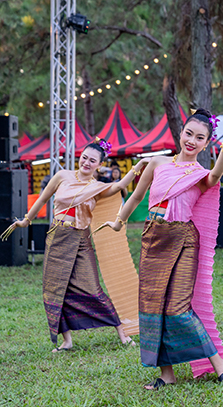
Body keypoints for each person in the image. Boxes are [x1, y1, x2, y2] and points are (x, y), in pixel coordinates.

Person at [100, 109, 223, 389]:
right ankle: (167, 374)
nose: (192, 140)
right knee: (152, 308)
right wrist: (119, 222)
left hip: (184, 240)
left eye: (200, 138)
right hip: (153, 238)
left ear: (206, 144)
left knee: (178, 308)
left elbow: (216, 175)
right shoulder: (156, 163)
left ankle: (221, 366)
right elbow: (137, 196)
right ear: (180, 132)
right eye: (189, 133)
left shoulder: (200, 173)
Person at [1, 138, 147, 353]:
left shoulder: (96, 187)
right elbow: (42, 199)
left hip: (81, 239)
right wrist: (26, 220)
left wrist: (137, 167)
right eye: (84, 158)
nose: (86, 162)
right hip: (57, 237)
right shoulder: (62, 176)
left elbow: (119, 186)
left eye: (92, 161)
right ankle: (67, 341)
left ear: (99, 165)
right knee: (56, 288)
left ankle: (122, 334)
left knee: (93, 288)